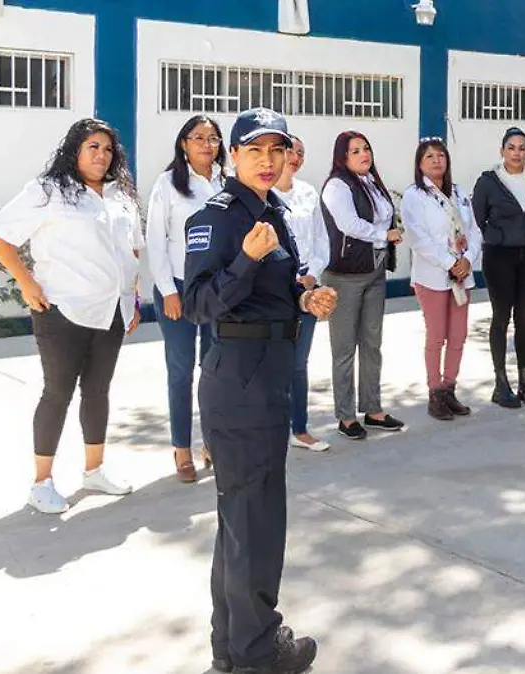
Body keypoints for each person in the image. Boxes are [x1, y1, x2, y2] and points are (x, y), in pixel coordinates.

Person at [183, 107, 337, 674]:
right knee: (255, 521)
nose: (269, 160)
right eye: (255, 150)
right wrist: (245, 261)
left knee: (244, 519)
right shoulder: (216, 218)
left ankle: (233, 648)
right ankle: (255, 653)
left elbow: (285, 285)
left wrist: (306, 299)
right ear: (233, 156)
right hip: (240, 379)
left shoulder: (275, 211)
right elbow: (198, 305)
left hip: (268, 372)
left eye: (278, 150)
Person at [0, 118, 142, 514]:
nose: (101, 155)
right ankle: (42, 482)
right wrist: (26, 282)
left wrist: (133, 296)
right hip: (63, 312)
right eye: (92, 147)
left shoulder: (120, 195)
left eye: (107, 149)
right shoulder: (49, 191)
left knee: (98, 392)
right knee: (57, 394)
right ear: (74, 150)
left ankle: (94, 469)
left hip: (112, 313)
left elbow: (132, 249)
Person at [146, 114, 227, 481]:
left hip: (218, 291)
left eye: (213, 138)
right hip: (178, 289)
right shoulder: (168, 184)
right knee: (180, 373)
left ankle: (212, 442)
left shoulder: (227, 182)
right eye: (198, 138)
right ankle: (181, 448)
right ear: (183, 143)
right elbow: (156, 241)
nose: (206, 144)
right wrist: (167, 291)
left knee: (214, 371)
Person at [320, 130, 404, 440]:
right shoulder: (337, 186)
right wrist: (385, 235)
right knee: (344, 349)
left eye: (366, 148)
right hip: (344, 275)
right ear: (342, 157)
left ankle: (373, 409)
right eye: (355, 151)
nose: (363, 154)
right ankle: (345, 416)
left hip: (374, 271)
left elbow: (383, 219)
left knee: (372, 344)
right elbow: (348, 225)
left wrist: (388, 234)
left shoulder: (371, 183)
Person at [400, 138, 482, 421]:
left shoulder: (459, 193)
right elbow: (418, 239)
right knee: (436, 337)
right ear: (419, 163)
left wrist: (468, 259)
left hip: (462, 275)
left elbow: (475, 231)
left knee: (458, 336)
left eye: (440, 155)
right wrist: (451, 263)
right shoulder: (415, 196)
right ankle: (434, 393)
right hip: (432, 275)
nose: (436, 160)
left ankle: (449, 388)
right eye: (429, 156)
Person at [471, 127, 525, 409]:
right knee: (501, 317)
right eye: (512, 147)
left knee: (524, 320)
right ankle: (500, 383)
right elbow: (477, 219)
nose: (517, 153)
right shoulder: (488, 182)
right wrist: (499, 237)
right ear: (501, 150)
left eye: (522, 148)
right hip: (499, 255)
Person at [273, 136, 330, 451]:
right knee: (269, 361)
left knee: (298, 362)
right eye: (289, 150)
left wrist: (313, 275)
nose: (294, 156)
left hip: (306, 288)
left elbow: (322, 241)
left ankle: (300, 428)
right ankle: (269, 427)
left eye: (300, 152)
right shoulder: (262, 195)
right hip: (273, 290)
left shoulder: (309, 193)